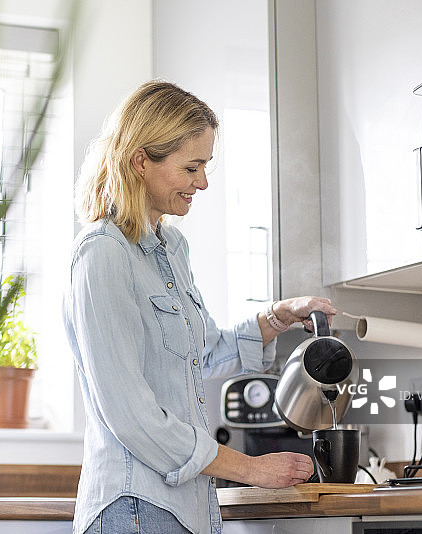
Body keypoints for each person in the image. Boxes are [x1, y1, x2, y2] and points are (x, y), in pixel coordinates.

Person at [62, 80, 337, 534]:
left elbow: (202, 354)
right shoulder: (102, 254)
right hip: (135, 507)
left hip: (186, 509)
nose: (203, 182)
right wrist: (249, 468)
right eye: (191, 167)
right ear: (141, 161)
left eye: (205, 166)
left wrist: (276, 318)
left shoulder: (173, 248)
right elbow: (130, 414)